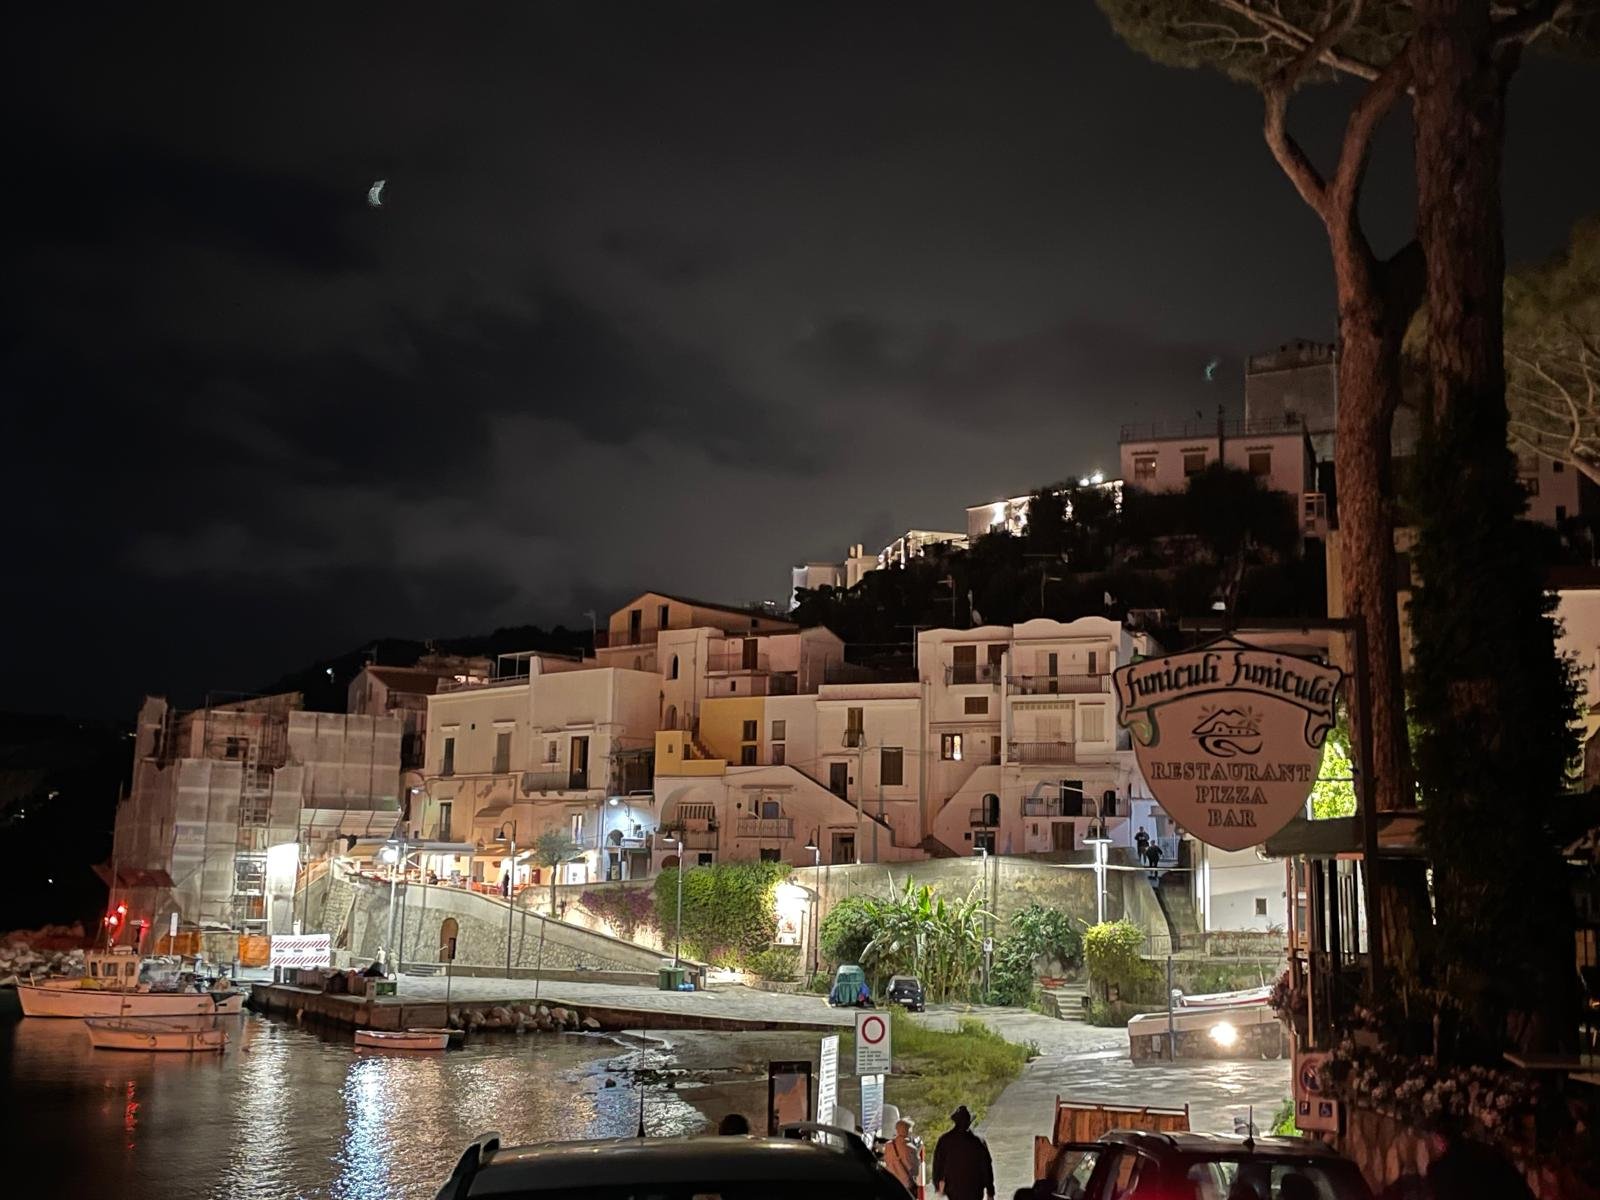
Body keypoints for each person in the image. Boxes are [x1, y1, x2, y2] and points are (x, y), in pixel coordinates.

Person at [932, 1105, 994, 1200]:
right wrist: (990, 1192)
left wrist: (938, 1184)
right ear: (969, 1122)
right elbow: (986, 1167)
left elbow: (938, 1165)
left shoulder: (944, 1141)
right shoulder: (978, 1142)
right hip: (975, 1189)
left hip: (953, 1189)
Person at [884, 1119, 921, 1193]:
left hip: (891, 1184)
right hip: (906, 1186)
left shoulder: (888, 1145)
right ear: (907, 1130)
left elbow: (887, 1162)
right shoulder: (911, 1148)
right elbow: (915, 1172)